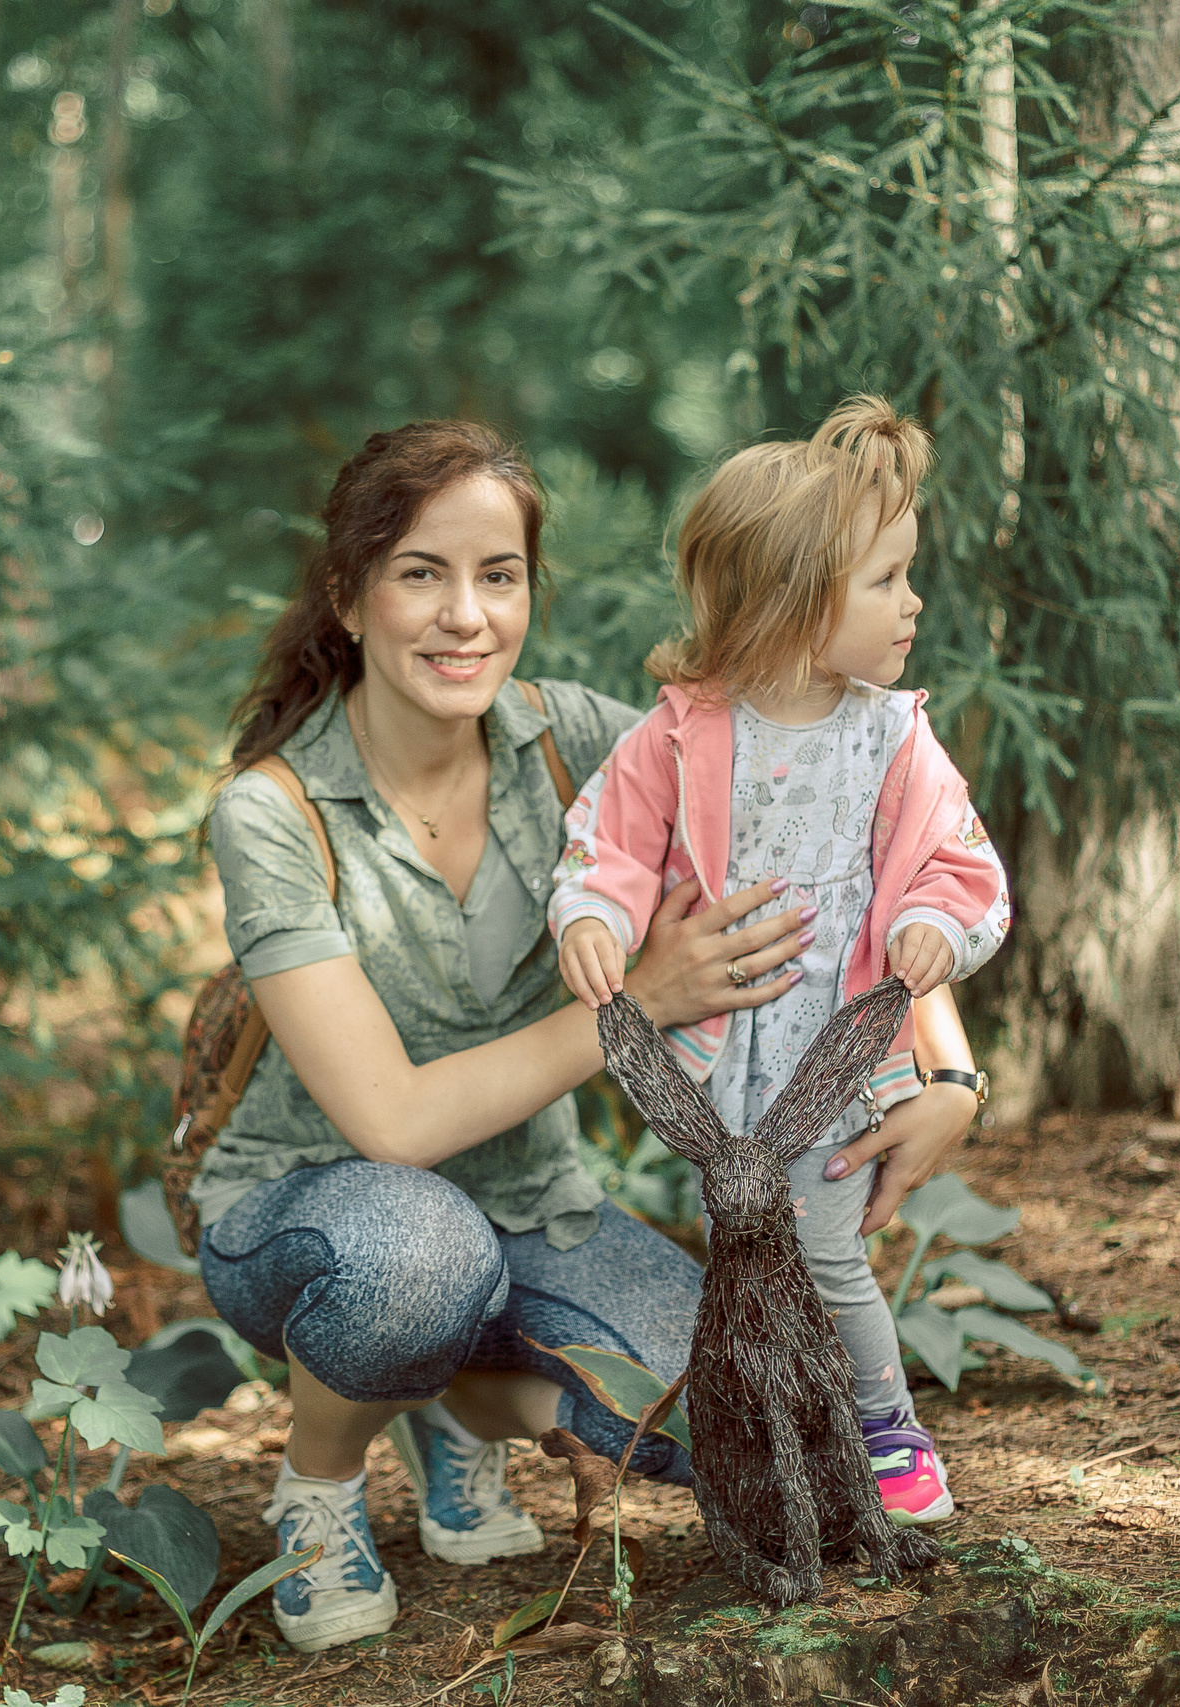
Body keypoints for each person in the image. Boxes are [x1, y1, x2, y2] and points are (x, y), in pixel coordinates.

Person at [196, 418, 986, 1654]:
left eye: (497, 576)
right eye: (421, 573)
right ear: (348, 597)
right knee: (414, 1258)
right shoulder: (272, 811)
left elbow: (830, 844)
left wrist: (943, 1065)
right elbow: (390, 1125)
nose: (465, 616)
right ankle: (323, 1479)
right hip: (313, 1213)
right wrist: (640, 1004)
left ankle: (445, 1399)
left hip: (535, 1212)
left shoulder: (581, 735)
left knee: (758, 1431)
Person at [550, 395, 1010, 1532]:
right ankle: (790, 1435)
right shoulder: (680, 733)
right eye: (887, 579)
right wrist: (593, 917)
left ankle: (884, 1427)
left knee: (819, 1243)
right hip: (721, 1058)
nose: (912, 602)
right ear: (797, 602)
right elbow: (607, 839)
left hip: (837, 1052)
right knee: (747, 1242)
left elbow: (962, 868)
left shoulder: (893, 737)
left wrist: (935, 932)